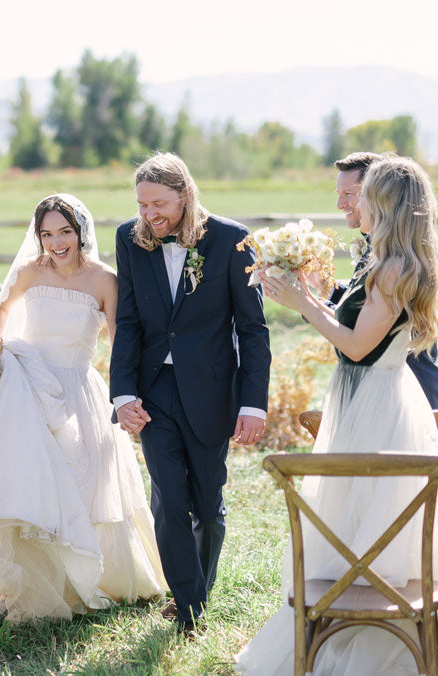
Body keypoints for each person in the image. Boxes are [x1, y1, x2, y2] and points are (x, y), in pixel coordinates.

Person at [235, 157, 438, 676]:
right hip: (363, 401)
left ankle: (371, 650)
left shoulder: (393, 269)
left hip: (380, 410)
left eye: (363, 194)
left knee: (374, 526)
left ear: (386, 202)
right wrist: (311, 294)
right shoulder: (386, 261)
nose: (354, 202)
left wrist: (298, 305)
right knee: (351, 519)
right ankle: (341, 635)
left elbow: (357, 346)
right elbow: (353, 330)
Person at [0, 193, 166, 622]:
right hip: (25, 389)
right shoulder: (28, 272)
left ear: (80, 231)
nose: (56, 242)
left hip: (78, 390)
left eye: (64, 232)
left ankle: (80, 578)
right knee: (27, 483)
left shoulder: (105, 281)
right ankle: (28, 582)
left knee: (80, 484)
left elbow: (120, 342)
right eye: (47, 234)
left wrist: (129, 393)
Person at [109, 153, 271, 634]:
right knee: (167, 498)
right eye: (142, 205)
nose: (149, 215)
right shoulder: (129, 239)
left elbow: (252, 328)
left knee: (208, 505)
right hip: (154, 389)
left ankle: (196, 593)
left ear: (185, 195)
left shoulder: (231, 239)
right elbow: (130, 321)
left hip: (213, 391)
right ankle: (188, 608)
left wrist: (253, 402)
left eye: (159, 204)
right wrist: (122, 394)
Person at [323, 151, 438, 408]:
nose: (343, 204)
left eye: (351, 194)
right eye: (339, 195)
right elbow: (366, 303)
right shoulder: (384, 247)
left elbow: (366, 327)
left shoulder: (392, 256)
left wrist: (305, 302)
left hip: (406, 386)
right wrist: (325, 286)